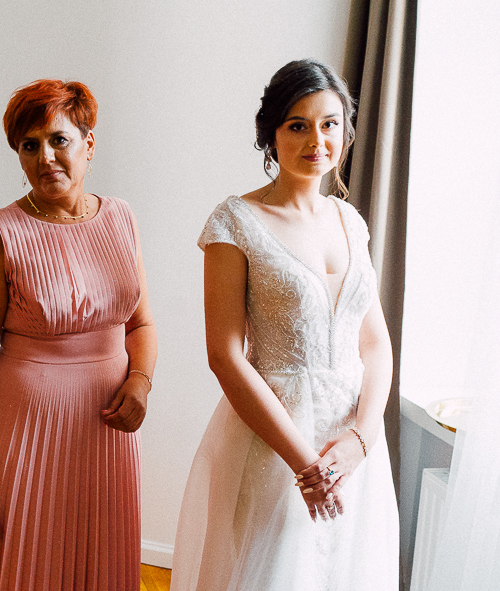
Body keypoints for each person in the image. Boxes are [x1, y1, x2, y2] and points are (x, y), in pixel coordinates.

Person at [171, 59, 399, 590]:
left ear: (345, 131)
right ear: (271, 134)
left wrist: (360, 440)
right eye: (298, 125)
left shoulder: (350, 221)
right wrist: (305, 465)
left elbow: (375, 343)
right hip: (275, 440)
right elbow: (224, 355)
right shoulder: (234, 221)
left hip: (351, 443)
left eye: (329, 124)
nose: (317, 140)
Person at [0, 79, 158, 591]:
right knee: (23, 568)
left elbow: (141, 324)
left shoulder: (122, 218)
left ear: (89, 144)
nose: (45, 157)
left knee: (99, 565)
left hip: (107, 436)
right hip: (26, 433)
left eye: (58, 140)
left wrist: (140, 380)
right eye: (30, 145)